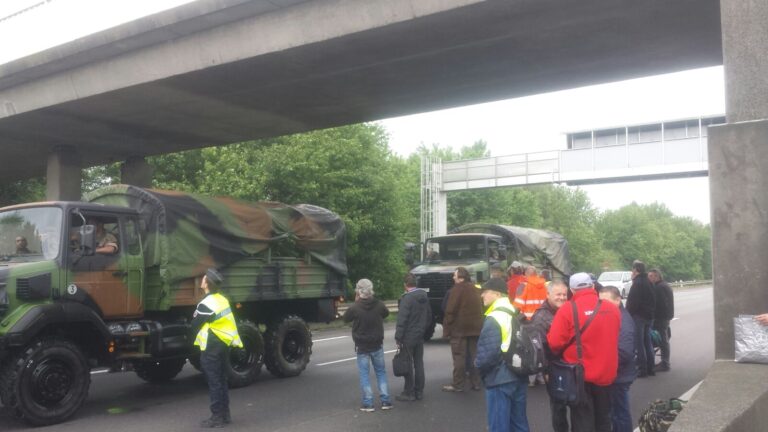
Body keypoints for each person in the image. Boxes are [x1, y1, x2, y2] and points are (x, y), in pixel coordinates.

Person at [548, 272, 621, 432]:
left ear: (572, 290)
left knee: (582, 422)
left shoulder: (567, 309)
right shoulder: (612, 309)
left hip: (581, 376)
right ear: (593, 286)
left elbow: (554, 343)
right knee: (603, 419)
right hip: (607, 374)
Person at [475, 277, 530, 432]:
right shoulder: (515, 312)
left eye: (485, 292)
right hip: (518, 374)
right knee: (519, 423)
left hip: (500, 379)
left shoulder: (494, 317)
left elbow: (487, 355)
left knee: (499, 426)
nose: (482, 295)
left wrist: (479, 370)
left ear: (497, 295)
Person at [190, 268, 243, 428]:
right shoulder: (222, 300)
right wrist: (238, 343)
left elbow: (194, 325)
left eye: (203, 278)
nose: (201, 280)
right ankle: (225, 414)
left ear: (207, 284)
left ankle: (217, 416)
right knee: (221, 378)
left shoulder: (206, 304)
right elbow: (232, 324)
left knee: (214, 380)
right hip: (224, 343)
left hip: (212, 344)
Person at [342, 279, 393, 411]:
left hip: (362, 346)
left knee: (365, 374)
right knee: (381, 372)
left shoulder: (355, 307)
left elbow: (345, 318)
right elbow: (386, 313)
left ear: (358, 291)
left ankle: (368, 403)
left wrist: (356, 301)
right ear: (371, 290)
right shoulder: (379, 304)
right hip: (377, 344)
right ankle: (385, 401)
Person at [530, 279, 569, 432]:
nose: (562, 297)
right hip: (554, 368)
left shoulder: (566, 310)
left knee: (575, 402)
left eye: (564, 294)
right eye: (558, 294)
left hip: (569, 364)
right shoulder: (540, 317)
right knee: (559, 406)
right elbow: (539, 348)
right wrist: (545, 371)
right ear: (548, 295)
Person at [599, 285, 637, 432]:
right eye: (600, 301)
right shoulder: (611, 315)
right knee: (615, 412)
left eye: (606, 301)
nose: (602, 305)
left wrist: (603, 364)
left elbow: (624, 352)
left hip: (619, 376)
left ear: (618, 300)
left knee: (620, 413)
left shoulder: (623, 321)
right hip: (615, 374)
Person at [442, 266, 484, 392]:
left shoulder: (456, 290)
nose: (453, 277)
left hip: (459, 330)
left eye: (454, 275)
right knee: (474, 356)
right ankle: (476, 383)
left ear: (460, 277)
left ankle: (458, 384)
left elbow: (450, 310)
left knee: (459, 357)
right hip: (476, 329)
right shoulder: (476, 289)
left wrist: (448, 326)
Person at [395, 273, 431, 401]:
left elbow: (402, 319)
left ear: (405, 285)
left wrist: (398, 337)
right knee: (419, 363)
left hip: (408, 336)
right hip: (419, 335)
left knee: (407, 363)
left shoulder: (407, 299)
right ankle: (419, 391)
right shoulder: (424, 297)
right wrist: (422, 330)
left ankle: (408, 392)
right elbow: (429, 317)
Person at [625, 260, 656, 377]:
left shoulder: (637, 283)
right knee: (648, 342)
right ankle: (651, 368)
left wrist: (628, 314)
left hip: (639, 317)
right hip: (649, 316)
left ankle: (643, 370)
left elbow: (633, 302)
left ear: (635, 270)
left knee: (639, 343)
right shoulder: (649, 281)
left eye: (633, 269)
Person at [649, 268, 674, 372]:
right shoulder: (665, 285)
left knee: (663, 340)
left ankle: (665, 363)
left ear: (656, 276)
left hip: (661, 317)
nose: (649, 278)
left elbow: (660, 304)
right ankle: (665, 362)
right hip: (665, 316)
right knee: (664, 340)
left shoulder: (659, 287)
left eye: (651, 276)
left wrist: (654, 315)